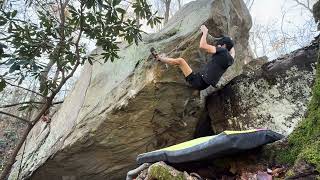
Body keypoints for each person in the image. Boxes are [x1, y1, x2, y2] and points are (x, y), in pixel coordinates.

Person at [151, 25, 235, 90]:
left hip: (198, 81)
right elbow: (232, 52)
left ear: (224, 46)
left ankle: (159, 58)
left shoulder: (222, 51)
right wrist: (231, 42)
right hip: (203, 84)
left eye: (219, 45)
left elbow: (202, 45)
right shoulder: (231, 59)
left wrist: (205, 32)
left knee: (180, 61)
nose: (218, 46)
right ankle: (164, 58)